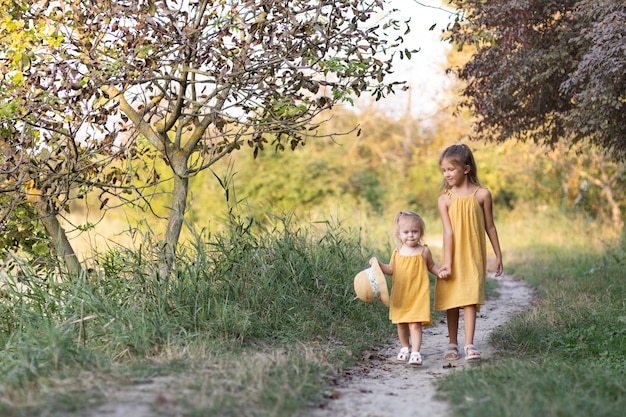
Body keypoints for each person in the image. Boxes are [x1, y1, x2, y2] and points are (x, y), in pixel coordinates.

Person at [435, 144, 503, 362]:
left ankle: (469, 344)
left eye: (450, 169)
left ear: (465, 168)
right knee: (453, 300)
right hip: (452, 257)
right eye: (444, 170)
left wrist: (498, 255)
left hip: (473, 256)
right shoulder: (444, 199)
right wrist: (446, 262)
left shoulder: (482, 194)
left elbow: (490, 227)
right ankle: (452, 343)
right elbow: (447, 232)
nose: (446, 174)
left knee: (470, 299)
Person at [370, 211, 442, 366]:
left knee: (415, 324)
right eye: (406, 232)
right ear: (399, 234)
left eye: (415, 231)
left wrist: (440, 272)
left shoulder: (424, 251)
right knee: (401, 324)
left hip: (417, 294)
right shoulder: (397, 252)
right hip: (401, 294)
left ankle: (416, 352)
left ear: (421, 233)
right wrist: (378, 264)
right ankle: (404, 347)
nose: (411, 235)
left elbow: (431, 266)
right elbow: (390, 270)